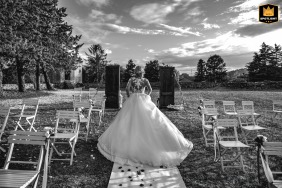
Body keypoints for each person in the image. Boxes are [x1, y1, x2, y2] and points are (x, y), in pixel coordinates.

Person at [97, 66, 193, 167]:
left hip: (133, 99)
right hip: (143, 99)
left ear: (135, 72)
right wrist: (146, 95)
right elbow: (150, 89)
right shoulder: (145, 80)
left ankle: (130, 141)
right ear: (142, 73)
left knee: (128, 120)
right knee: (149, 118)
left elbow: (127, 89)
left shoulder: (131, 79)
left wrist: (130, 96)